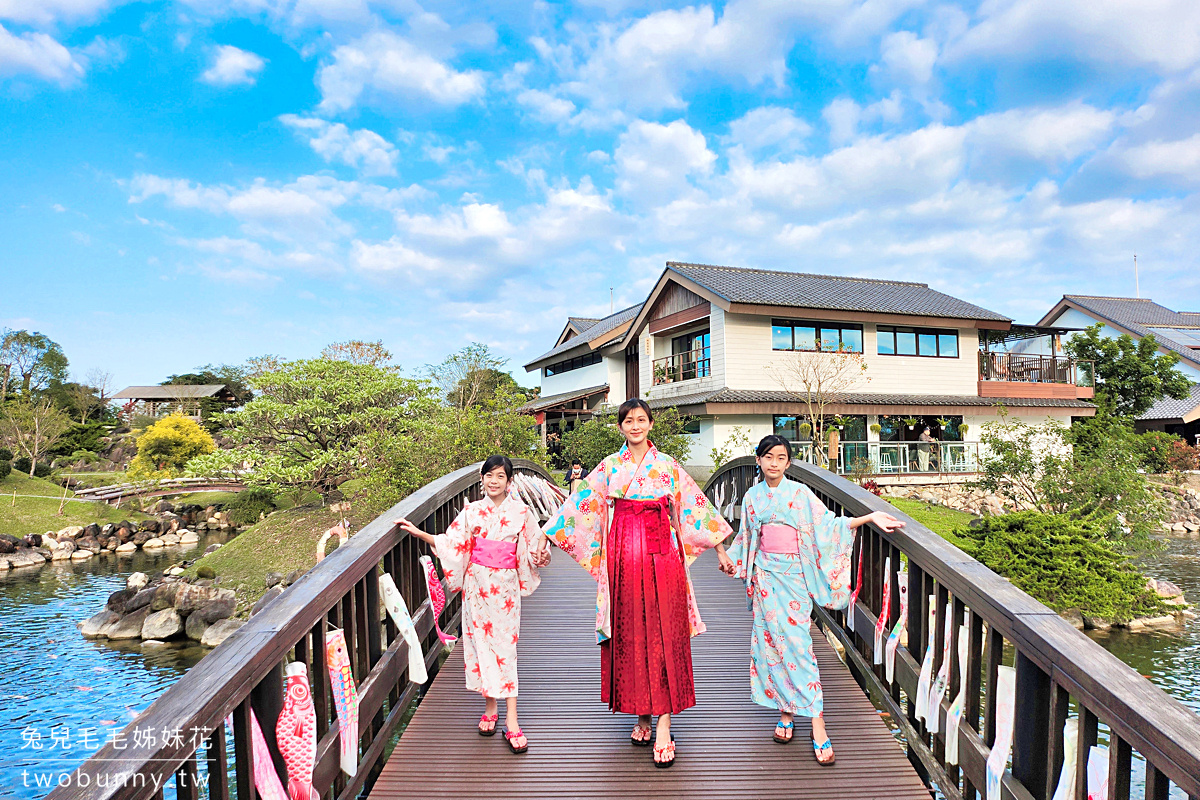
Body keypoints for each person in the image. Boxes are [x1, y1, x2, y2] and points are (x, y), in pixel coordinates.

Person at [542, 398, 735, 767]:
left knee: (664, 633)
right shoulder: (610, 467)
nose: (635, 426)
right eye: (628, 421)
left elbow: (695, 507)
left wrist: (721, 550)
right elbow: (579, 505)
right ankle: (641, 714)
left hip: (663, 557)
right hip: (622, 560)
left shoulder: (667, 466)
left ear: (650, 425)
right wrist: (543, 536)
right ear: (620, 427)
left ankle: (663, 723)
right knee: (630, 634)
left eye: (641, 420)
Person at [720, 435, 904, 765]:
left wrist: (869, 517)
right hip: (765, 577)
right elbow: (747, 538)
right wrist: (733, 561)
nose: (774, 463)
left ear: (788, 464)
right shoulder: (752, 498)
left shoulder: (801, 494)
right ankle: (787, 713)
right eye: (767, 457)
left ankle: (816, 720)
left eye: (780, 458)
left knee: (798, 645)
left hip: (793, 578)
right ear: (758, 461)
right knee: (771, 644)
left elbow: (828, 525)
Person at [395, 455, 549, 755]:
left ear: (510, 481)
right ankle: (490, 707)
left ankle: (513, 721)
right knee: (480, 645)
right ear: (482, 479)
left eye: (500, 476)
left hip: (504, 591)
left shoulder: (521, 512)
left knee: (506, 649)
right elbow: (453, 544)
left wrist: (541, 555)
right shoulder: (471, 512)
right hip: (476, 589)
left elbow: (534, 548)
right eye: (489, 475)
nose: (494, 481)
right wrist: (419, 533)